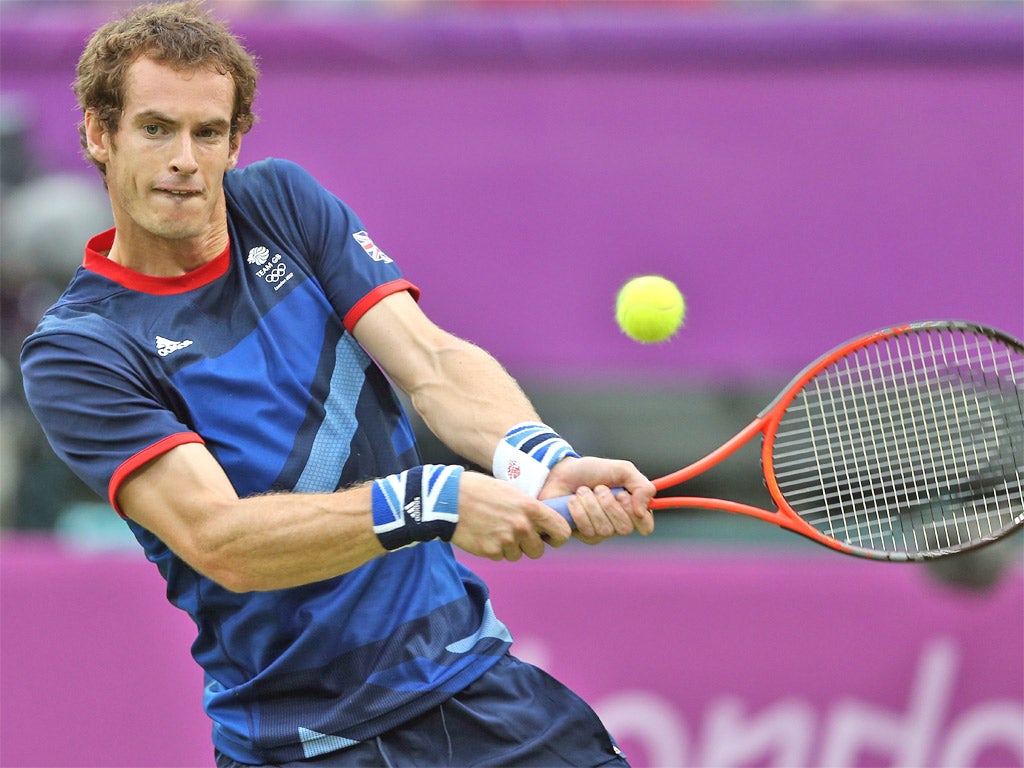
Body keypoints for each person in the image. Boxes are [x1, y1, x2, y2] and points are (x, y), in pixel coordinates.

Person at [19, 2, 656, 766]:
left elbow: (432, 362)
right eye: (156, 129)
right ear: (100, 133)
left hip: (470, 690)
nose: (184, 158)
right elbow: (221, 541)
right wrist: (433, 501)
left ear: (234, 142)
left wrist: (538, 457)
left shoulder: (282, 206)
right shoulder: (80, 349)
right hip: (303, 742)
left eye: (207, 132)